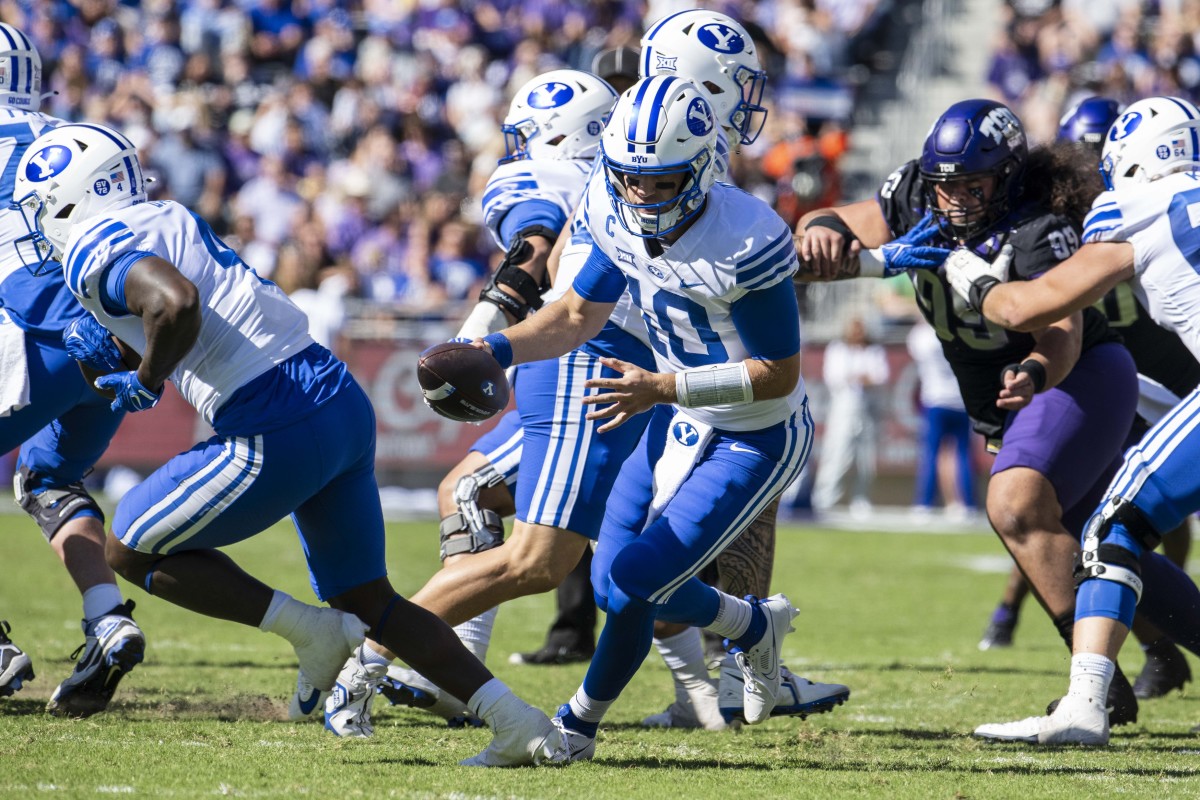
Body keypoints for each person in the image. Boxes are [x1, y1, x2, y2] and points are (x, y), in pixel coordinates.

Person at [13, 121, 558, 767]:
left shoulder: (94, 240)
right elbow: (182, 305)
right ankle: (516, 719)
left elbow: (175, 301)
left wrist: (145, 377)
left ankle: (312, 631)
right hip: (335, 395)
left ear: (68, 198)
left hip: (274, 415)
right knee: (370, 599)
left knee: (128, 546)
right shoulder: (164, 214)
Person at [796, 98, 1193, 727]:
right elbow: (842, 222)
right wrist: (822, 226)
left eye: (972, 184)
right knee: (1107, 541)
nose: (954, 200)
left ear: (1007, 177)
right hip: (1012, 392)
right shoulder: (914, 195)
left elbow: (1059, 330)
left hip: (1079, 376)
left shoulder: (1039, 225)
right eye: (944, 184)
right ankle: (1153, 653)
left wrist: (1034, 371)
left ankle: (1097, 685)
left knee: (1015, 503)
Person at [477, 74, 822, 763]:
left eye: (661, 182)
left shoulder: (745, 238)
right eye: (631, 177)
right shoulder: (610, 202)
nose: (641, 194)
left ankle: (576, 727)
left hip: (755, 432)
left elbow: (776, 373)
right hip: (678, 416)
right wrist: (486, 347)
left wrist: (662, 386)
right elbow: (574, 315)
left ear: (698, 168)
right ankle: (754, 626)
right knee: (611, 582)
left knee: (636, 579)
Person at [321, 67, 635, 735]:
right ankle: (435, 669)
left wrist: (481, 333)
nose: (517, 151)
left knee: (611, 570)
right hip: (601, 369)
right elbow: (534, 245)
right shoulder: (623, 174)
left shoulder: (600, 179)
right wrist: (485, 334)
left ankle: (380, 661)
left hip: (609, 373)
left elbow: (533, 248)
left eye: (526, 137)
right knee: (506, 521)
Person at [946, 95, 1200, 744]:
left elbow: (1029, 305)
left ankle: (1086, 704)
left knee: (1113, 525)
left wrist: (965, 271)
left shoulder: (1135, 206)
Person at [0, 22, 145, 717]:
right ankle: (107, 617)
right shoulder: (74, 133)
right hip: (119, 332)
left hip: (36, 328)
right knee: (47, 477)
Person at [509, 47, 643, 669]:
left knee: (635, 539)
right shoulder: (574, 182)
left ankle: (728, 653)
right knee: (473, 500)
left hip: (619, 360)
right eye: (609, 90)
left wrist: (482, 342)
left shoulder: (646, 172)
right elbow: (546, 249)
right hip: (574, 353)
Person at [811, 316, 889, 515]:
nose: (857, 334)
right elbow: (835, 376)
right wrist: (860, 376)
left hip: (869, 408)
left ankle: (861, 499)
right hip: (843, 407)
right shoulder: (838, 349)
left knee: (867, 457)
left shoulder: (873, 350)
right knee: (837, 453)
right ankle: (824, 498)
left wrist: (862, 377)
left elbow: (881, 375)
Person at [906, 318, 976, 519]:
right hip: (960, 400)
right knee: (962, 454)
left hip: (936, 399)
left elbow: (915, 350)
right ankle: (967, 503)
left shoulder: (922, 335)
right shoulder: (961, 332)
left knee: (931, 454)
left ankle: (925, 503)